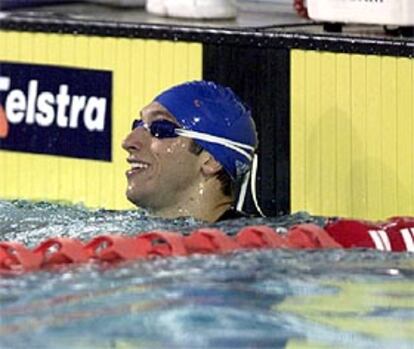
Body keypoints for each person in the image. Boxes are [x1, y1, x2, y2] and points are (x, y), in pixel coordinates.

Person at [122, 80, 261, 222]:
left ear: (211, 161)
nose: (128, 142)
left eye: (160, 128)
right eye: (137, 125)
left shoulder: (247, 242)